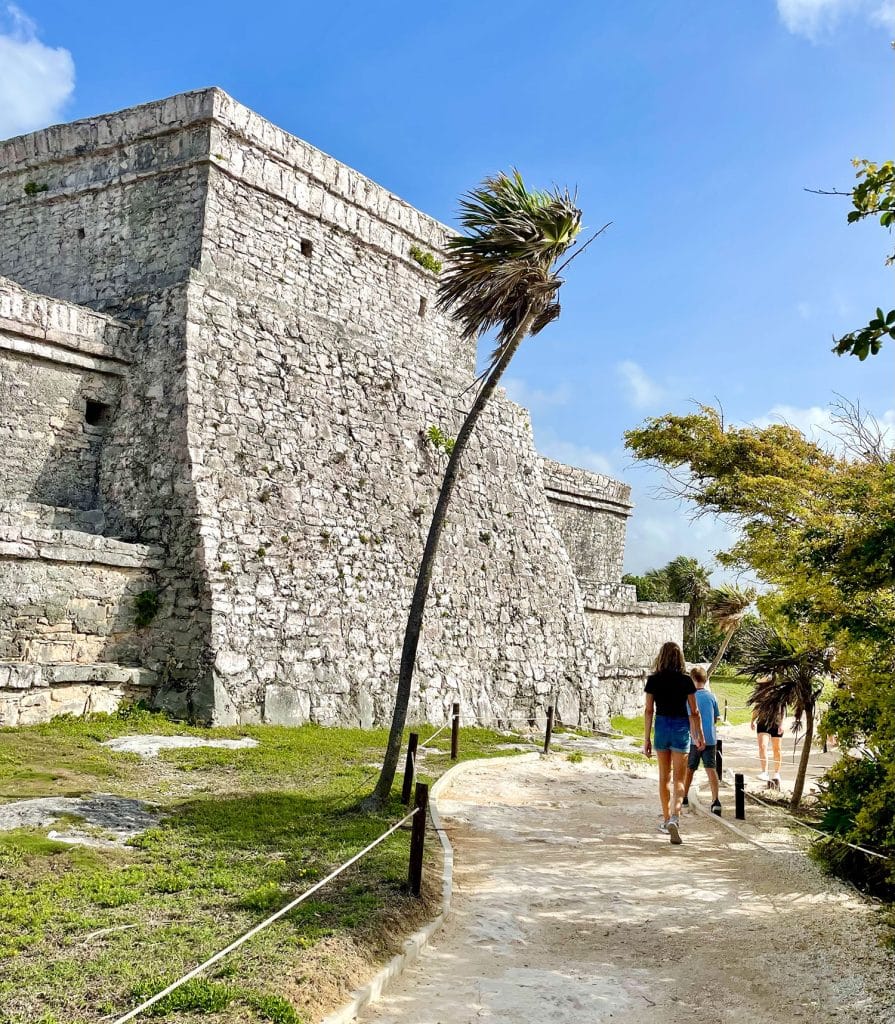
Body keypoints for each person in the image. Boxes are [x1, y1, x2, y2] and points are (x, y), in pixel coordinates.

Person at [643, 641, 705, 845]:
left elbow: (649, 710)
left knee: (664, 776)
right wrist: (699, 735)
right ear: (680, 658)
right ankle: (675, 817)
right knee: (680, 778)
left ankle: (666, 819)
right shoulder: (686, 681)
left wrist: (646, 739)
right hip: (680, 728)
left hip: (661, 726)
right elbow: (694, 712)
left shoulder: (653, 680)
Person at [682, 666, 722, 814]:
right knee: (711, 768)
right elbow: (715, 717)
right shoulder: (712, 697)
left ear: (692, 679)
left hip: (693, 739)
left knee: (690, 769)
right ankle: (715, 800)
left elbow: (689, 718)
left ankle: (684, 796)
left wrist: (694, 735)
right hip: (710, 738)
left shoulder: (689, 697)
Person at [751, 697, 784, 785]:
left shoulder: (779, 692)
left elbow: (783, 710)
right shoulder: (761, 693)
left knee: (777, 749)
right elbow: (756, 708)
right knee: (763, 746)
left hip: (776, 722)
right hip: (762, 722)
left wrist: (781, 724)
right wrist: (753, 720)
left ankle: (777, 773)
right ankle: (764, 772)